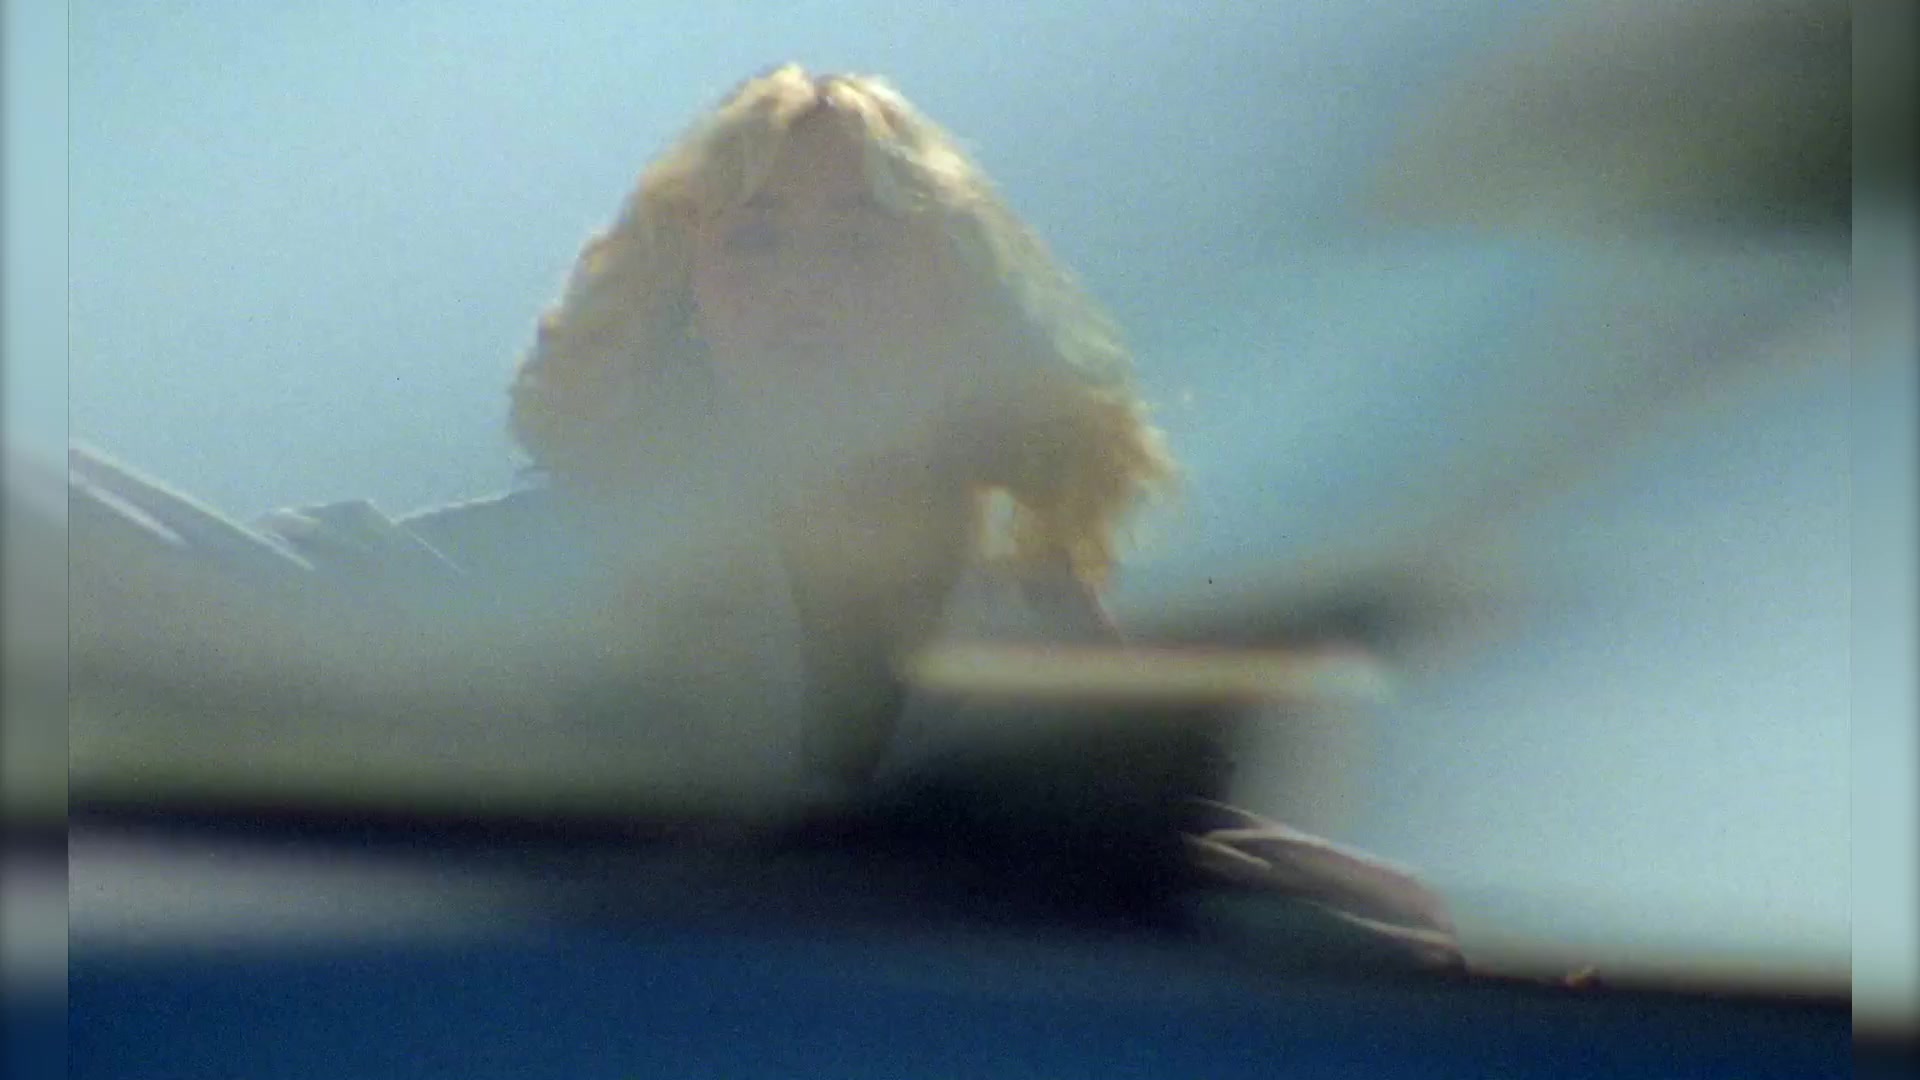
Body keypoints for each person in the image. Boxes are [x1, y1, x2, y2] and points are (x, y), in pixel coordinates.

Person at [67, 64, 1459, 972]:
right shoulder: (578, 554)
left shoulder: (1030, 610)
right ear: (694, 305)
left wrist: (1392, 935)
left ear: (957, 300)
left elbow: (1131, 858)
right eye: (756, 240)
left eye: (862, 239)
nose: (806, 285)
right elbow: (223, 589)